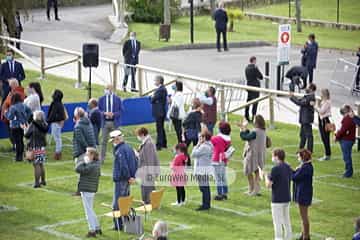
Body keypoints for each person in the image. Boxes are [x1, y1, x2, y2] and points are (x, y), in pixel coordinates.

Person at [110, 130, 138, 231]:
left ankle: (118, 225)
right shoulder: (129, 147)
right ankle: (129, 223)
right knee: (126, 201)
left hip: (122, 179)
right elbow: (136, 161)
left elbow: (123, 166)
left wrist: (128, 177)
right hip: (127, 179)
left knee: (117, 204)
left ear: (116, 139)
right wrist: (133, 176)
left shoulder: (120, 150)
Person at [265, 149, 293, 240]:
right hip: (287, 198)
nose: (272, 158)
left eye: (273, 156)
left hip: (277, 199)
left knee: (277, 222)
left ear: (276, 157)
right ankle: (288, 238)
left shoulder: (275, 169)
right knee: (286, 221)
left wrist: (266, 177)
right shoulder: (288, 166)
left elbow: (268, 185)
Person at [75, 147, 102, 238]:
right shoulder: (96, 164)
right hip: (91, 190)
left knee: (88, 212)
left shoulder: (90, 165)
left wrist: (82, 161)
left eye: (87, 153)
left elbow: (78, 168)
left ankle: (92, 230)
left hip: (87, 190)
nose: (86, 155)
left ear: (92, 155)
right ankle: (97, 227)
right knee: (91, 209)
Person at [240, 115, 267, 196]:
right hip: (260, 154)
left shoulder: (255, 131)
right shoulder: (262, 131)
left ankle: (253, 189)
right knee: (256, 171)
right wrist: (244, 128)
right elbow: (250, 135)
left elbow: (245, 137)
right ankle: (254, 189)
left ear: (257, 122)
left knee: (248, 171)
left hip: (252, 154)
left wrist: (242, 130)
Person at [73, 107, 97, 196]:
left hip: (82, 151)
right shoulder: (88, 123)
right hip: (90, 150)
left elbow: (80, 140)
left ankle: (80, 190)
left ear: (77, 115)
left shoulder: (78, 126)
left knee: (81, 171)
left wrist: (87, 150)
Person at [98, 85, 124, 162]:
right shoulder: (101, 99)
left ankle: (118, 158)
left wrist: (114, 114)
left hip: (114, 122)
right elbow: (98, 110)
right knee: (103, 141)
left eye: (107, 89)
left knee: (117, 141)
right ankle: (101, 159)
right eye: (105, 89)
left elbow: (121, 111)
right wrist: (104, 113)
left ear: (111, 89)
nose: (105, 90)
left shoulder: (118, 99)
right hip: (105, 122)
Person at [23, 110, 48, 188]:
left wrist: (24, 128)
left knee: (36, 165)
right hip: (42, 147)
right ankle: (43, 180)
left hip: (35, 147)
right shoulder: (44, 124)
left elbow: (26, 135)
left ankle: (37, 183)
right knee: (41, 164)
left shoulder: (33, 125)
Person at [293, 149, 314, 240]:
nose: (297, 158)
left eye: (298, 156)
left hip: (303, 194)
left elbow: (295, 177)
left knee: (304, 217)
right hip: (305, 192)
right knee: (303, 216)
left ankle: (306, 236)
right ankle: (304, 234)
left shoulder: (305, 168)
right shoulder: (306, 166)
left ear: (303, 157)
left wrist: (290, 170)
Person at [5, 93, 32, 161]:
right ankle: (21, 156)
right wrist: (26, 119)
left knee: (17, 142)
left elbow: (10, 117)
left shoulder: (13, 107)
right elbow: (30, 112)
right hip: (22, 125)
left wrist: (5, 113)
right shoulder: (23, 105)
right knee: (21, 141)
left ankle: (18, 157)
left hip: (14, 126)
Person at [136, 127, 160, 204]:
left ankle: (149, 202)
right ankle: (146, 200)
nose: (138, 137)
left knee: (148, 187)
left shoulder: (149, 143)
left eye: (138, 135)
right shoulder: (146, 142)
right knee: (145, 186)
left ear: (142, 134)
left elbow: (150, 158)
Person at [290, 83, 316, 153]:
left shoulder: (310, 97)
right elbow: (300, 101)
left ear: (311, 89)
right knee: (302, 135)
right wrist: (293, 97)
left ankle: (309, 150)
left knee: (308, 136)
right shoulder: (308, 96)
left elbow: (300, 103)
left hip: (306, 119)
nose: (306, 88)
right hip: (304, 118)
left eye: (308, 87)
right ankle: (301, 149)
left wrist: (292, 97)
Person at [0, 79, 25, 149]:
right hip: (9, 117)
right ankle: (16, 147)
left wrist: (6, 112)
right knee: (13, 135)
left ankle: (17, 149)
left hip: (12, 118)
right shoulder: (13, 91)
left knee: (14, 135)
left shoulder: (18, 92)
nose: (10, 87)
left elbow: (14, 104)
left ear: (14, 85)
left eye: (11, 86)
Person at [192, 130, 213, 211]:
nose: (199, 138)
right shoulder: (209, 145)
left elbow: (193, 154)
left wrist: (197, 145)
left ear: (204, 138)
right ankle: (206, 204)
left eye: (201, 137)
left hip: (202, 170)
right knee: (204, 187)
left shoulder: (204, 147)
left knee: (204, 188)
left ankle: (206, 205)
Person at [211, 121, 231, 201]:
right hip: (223, 159)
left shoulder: (217, 138)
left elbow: (209, 140)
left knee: (218, 178)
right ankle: (225, 193)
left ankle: (220, 194)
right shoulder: (228, 139)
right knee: (223, 177)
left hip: (216, 159)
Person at [335, 105, 356, 178]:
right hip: (348, 139)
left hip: (347, 140)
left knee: (346, 157)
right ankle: (348, 171)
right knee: (347, 156)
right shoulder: (350, 118)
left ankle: (348, 172)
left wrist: (337, 136)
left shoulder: (348, 119)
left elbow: (343, 130)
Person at [47, 89, 67, 160]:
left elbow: (52, 115)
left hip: (56, 123)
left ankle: (58, 153)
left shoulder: (55, 104)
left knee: (57, 139)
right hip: (56, 123)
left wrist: (48, 121)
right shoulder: (59, 103)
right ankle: (58, 152)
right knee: (57, 138)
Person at [151, 75, 168, 151]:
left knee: (159, 129)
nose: (154, 82)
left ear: (159, 81)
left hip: (159, 112)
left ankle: (159, 145)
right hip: (160, 111)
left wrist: (152, 97)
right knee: (161, 128)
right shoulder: (161, 89)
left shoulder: (161, 89)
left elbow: (153, 99)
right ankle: (164, 143)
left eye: (155, 80)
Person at [245, 56, 263, 122]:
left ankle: (246, 115)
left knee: (248, 101)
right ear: (254, 61)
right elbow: (260, 76)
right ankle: (253, 116)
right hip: (255, 86)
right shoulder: (255, 68)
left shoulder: (246, 67)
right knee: (255, 103)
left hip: (249, 86)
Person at [315, 89, 332, 161]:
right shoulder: (324, 102)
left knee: (325, 138)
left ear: (324, 95)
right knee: (323, 138)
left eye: (321, 94)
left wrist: (315, 106)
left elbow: (321, 111)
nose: (320, 95)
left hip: (325, 121)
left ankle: (327, 155)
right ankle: (327, 154)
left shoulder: (327, 102)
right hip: (322, 120)